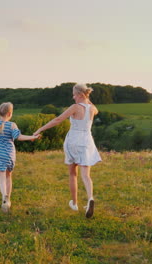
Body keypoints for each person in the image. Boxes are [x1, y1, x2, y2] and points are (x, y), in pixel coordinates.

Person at [34, 83, 101, 218]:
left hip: (74, 141)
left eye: (74, 94)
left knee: (72, 173)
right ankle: (90, 198)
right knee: (86, 175)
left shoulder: (75, 107)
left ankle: (74, 203)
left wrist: (40, 129)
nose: (73, 96)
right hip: (87, 141)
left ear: (80, 95)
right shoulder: (93, 109)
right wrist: (87, 99)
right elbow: (93, 106)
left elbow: (58, 119)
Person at [0, 95, 40, 212]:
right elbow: (19, 137)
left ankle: (4, 196)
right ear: (10, 114)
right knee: (8, 176)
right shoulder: (12, 125)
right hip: (9, 155)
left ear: (0, 113)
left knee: (1, 176)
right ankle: (8, 198)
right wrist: (32, 137)